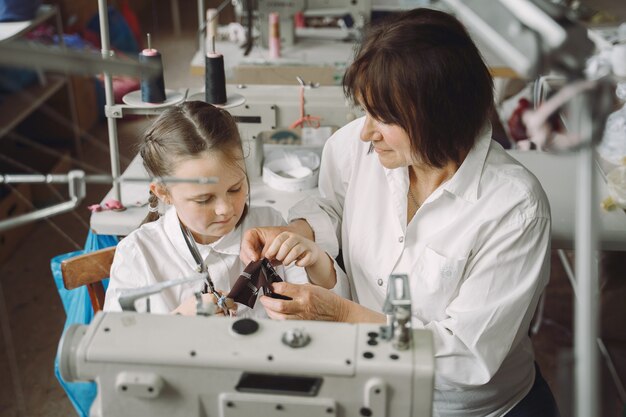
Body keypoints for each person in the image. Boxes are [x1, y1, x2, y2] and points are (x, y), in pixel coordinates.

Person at [241, 9, 560, 417]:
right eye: (366, 111)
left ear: (439, 117)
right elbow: (331, 205)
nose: (366, 132)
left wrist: (339, 314)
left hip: (465, 409)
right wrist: (297, 232)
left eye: (386, 118)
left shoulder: (514, 209)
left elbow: (465, 357)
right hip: (370, 387)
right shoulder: (358, 150)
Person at [103, 101, 344, 316]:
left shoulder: (270, 223)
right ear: (164, 193)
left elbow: (324, 314)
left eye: (235, 189)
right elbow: (113, 350)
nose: (225, 209)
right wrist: (176, 323)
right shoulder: (137, 254)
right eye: (204, 199)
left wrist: (318, 263)